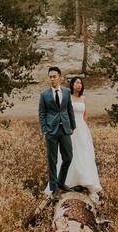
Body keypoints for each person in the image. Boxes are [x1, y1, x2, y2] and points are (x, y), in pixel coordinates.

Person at [44, 76, 102, 201]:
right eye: (76, 83)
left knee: (84, 154)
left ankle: (85, 180)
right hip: (70, 129)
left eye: (80, 83)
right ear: (72, 85)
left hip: (82, 130)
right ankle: (66, 182)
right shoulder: (67, 96)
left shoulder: (83, 98)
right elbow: (64, 113)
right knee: (69, 154)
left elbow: (85, 116)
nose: (79, 85)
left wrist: (86, 130)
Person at [38, 66, 75, 198]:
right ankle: (54, 189)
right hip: (51, 131)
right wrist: (45, 129)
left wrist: (72, 126)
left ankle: (60, 182)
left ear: (60, 77)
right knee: (52, 160)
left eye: (54, 76)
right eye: (50, 77)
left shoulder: (66, 92)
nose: (52, 79)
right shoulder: (44, 95)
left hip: (65, 129)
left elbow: (69, 109)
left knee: (68, 157)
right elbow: (41, 113)